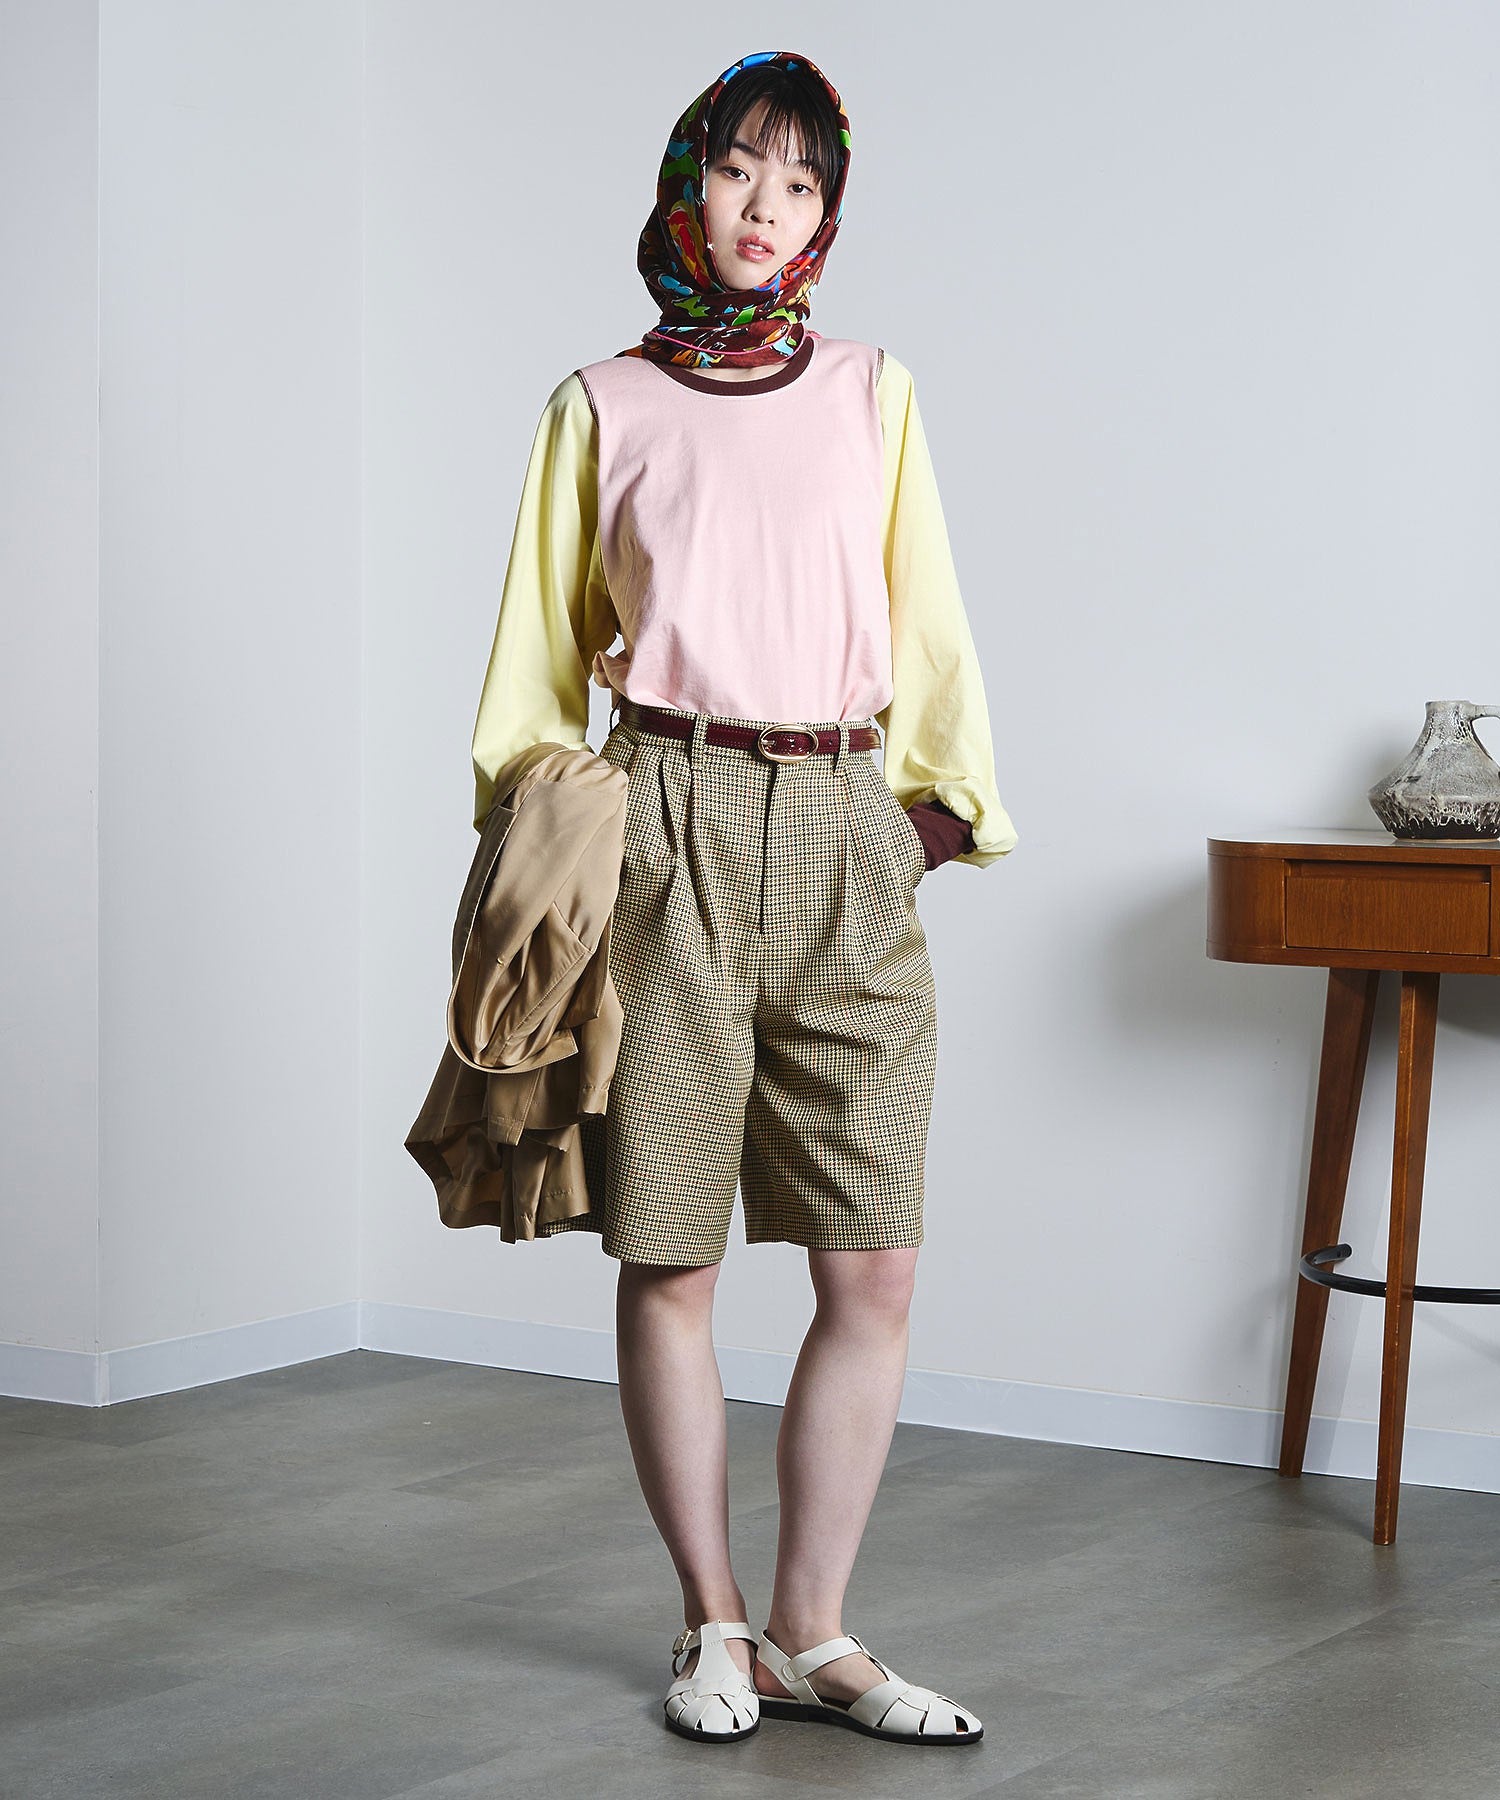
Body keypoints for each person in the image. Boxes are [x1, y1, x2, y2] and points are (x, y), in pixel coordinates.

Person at [470, 48, 1017, 1747]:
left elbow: (925, 616)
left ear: (825, 214)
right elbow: (532, 668)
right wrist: (563, 836)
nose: (765, 207)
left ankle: (816, 1634)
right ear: (684, 186)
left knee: (877, 1269)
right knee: (672, 1257)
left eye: (800, 182)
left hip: (846, 818)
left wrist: (927, 819)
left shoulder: (872, 390)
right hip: (666, 823)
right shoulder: (599, 403)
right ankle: (713, 1625)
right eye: (736, 170)